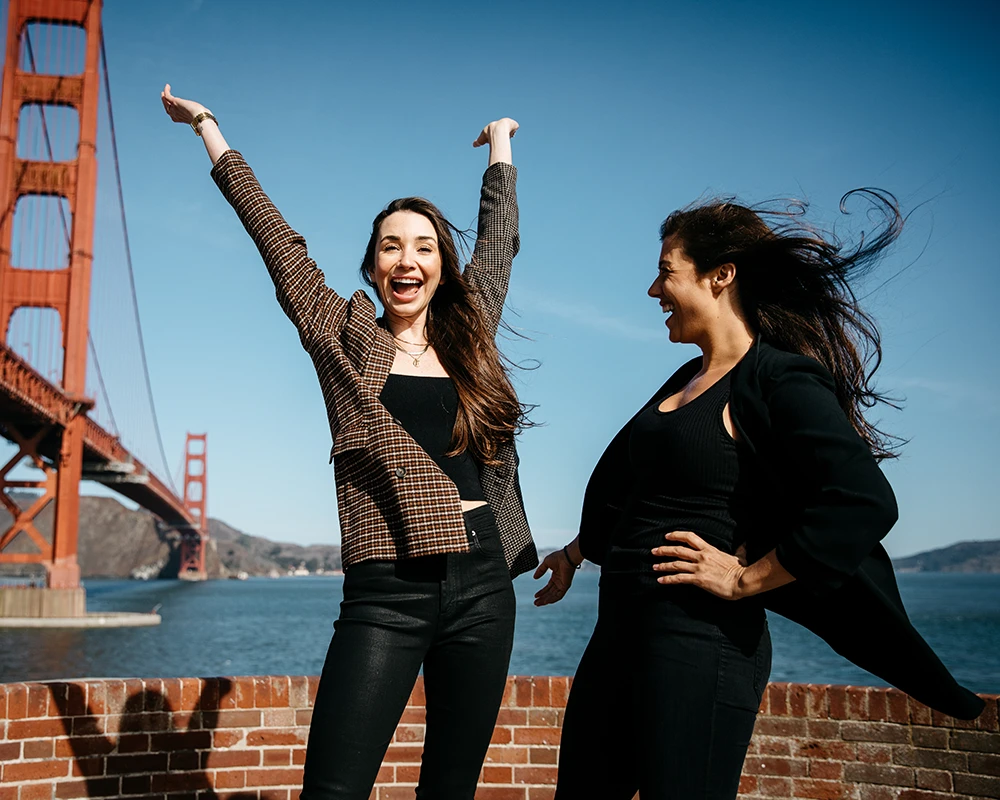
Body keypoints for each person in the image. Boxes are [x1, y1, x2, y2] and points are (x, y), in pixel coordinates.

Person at [534, 192, 984, 800]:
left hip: (700, 646)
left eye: (666, 272)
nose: (652, 291)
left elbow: (862, 499)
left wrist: (746, 579)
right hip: (617, 639)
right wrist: (577, 551)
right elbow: (641, 490)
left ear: (721, 276)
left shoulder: (777, 378)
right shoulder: (685, 381)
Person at [161, 85, 537, 800]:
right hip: (387, 589)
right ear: (371, 266)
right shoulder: (342, 336)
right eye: (391, 246)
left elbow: (499, 243)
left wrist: (501, 147)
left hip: (484, 584)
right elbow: (276, 239)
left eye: (424, 247)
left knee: (450, 788)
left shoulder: (471, 333)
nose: (408, 259)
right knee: (334, 790)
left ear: (441, 267)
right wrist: (209, 128)